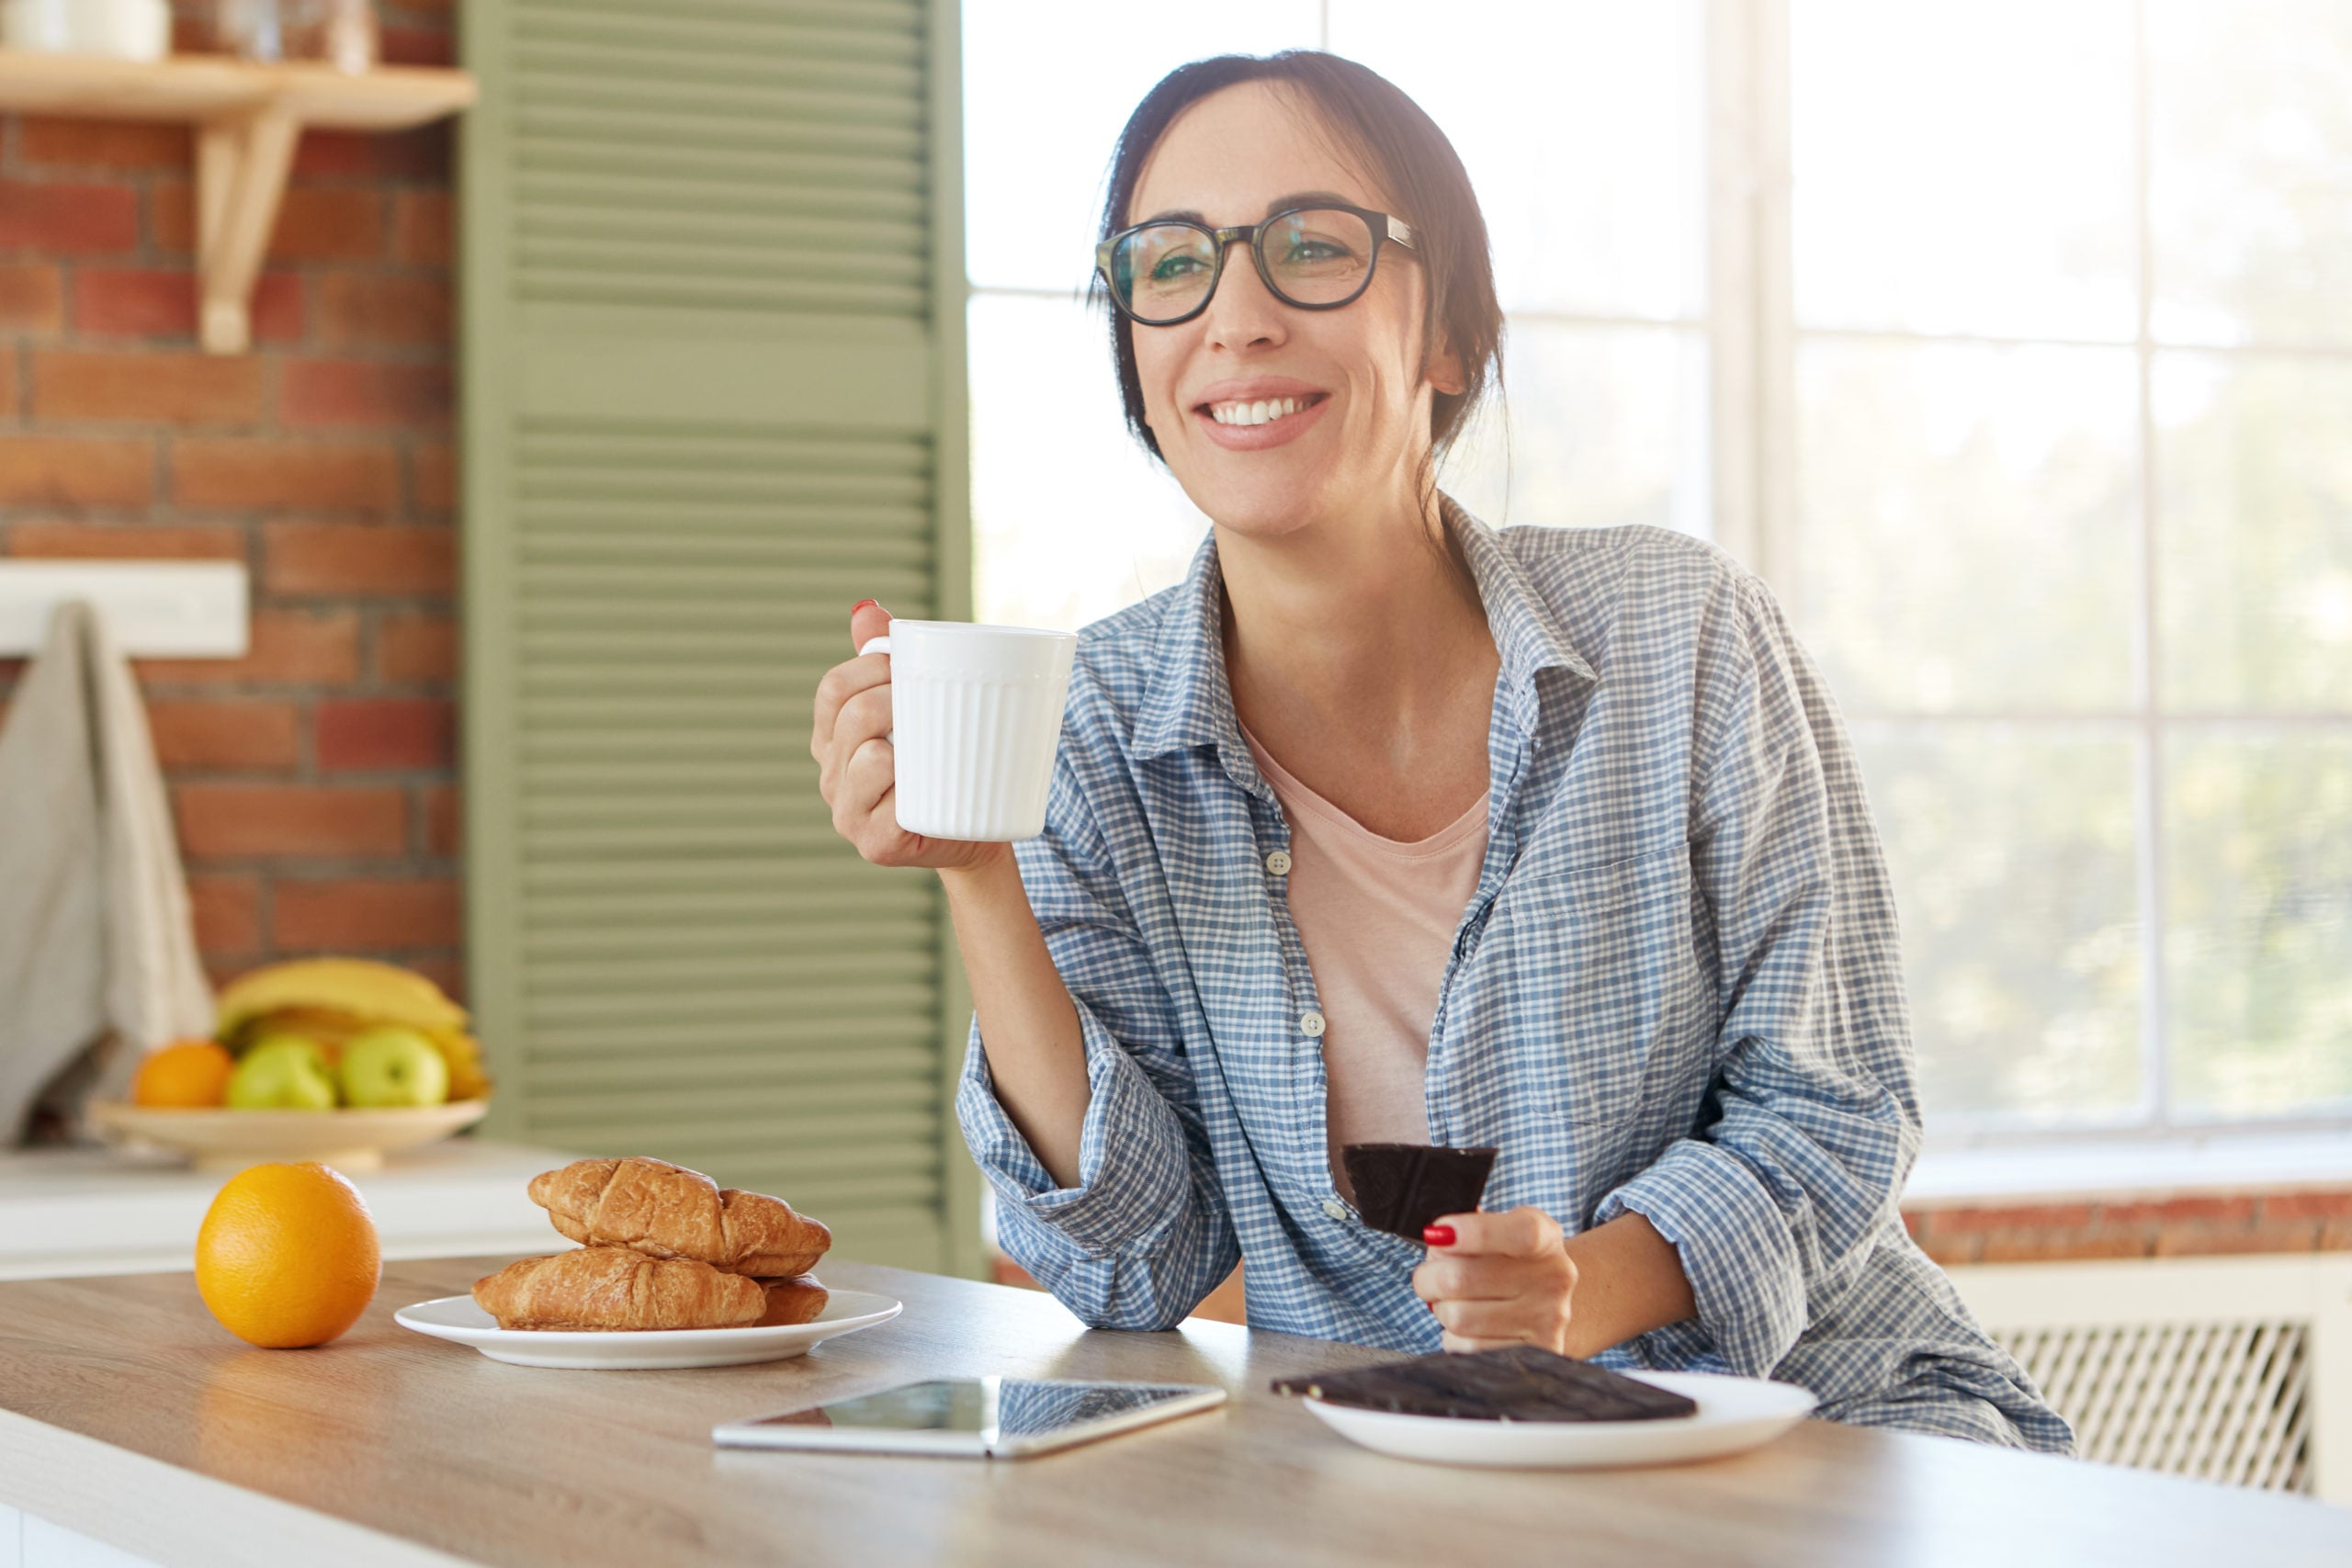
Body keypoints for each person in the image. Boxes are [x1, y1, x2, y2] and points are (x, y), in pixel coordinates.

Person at [811, 50, 2071, 1452]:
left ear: (1451, 338)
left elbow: (1833, 1109)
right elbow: (1135, 1267)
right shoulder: (1093, 729)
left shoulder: (1684, 634)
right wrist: (979, 872)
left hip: (1814, 1426)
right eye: (1171, 267)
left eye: (1313, 249)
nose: (1234, 318)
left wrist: (1577, 1290)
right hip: (1403, 1476)